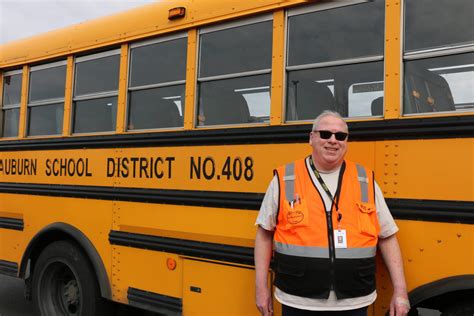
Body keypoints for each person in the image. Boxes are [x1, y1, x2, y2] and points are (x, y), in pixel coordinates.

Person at [254, 111, 410, 316]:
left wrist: (400, 291)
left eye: (340, 136)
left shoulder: (364, 180)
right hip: (298, 300)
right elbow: (264, 234)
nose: (333, 141)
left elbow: (388, 236)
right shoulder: (286, 179)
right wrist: (261, 288)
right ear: (311, 138)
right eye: (325, 134)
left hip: (354, 301)